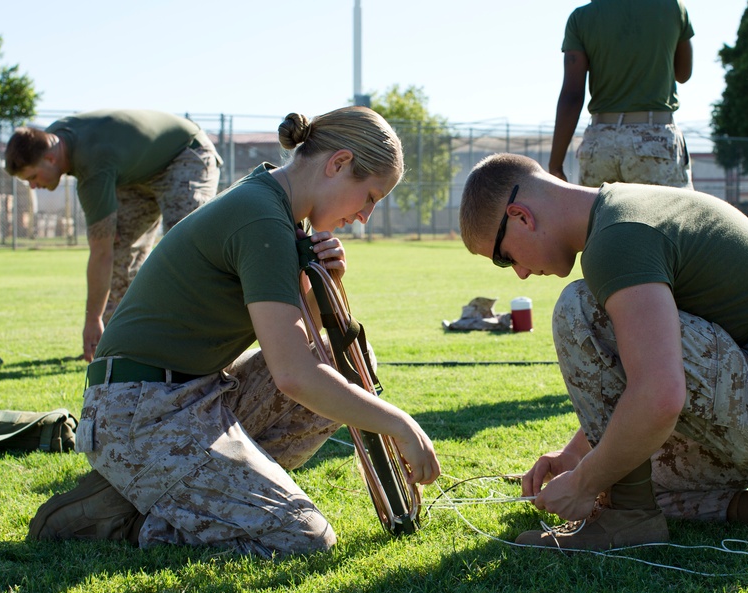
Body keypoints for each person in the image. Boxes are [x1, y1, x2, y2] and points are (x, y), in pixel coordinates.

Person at [25, 107, 441, 558]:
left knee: (349, 366)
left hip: (194, 395)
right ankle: (122, 517)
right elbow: (294, 374)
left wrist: (323, 285)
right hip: (138, 414)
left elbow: (302, 344)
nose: (365, 215)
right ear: (338, 164)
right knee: (302, 537)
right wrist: (400, 423)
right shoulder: (262, 217)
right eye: (370, 196)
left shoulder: (276, 207)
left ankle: (185, 489)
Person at [458, 153, 748, 551]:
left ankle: (629, 517)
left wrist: (584, 482)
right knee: (620, 467)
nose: (521, 272)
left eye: (504, 256)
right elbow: (652, 364)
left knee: (579, 308)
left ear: (521, 216)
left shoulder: (616, 238)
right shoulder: (623, 211)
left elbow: (659, 394)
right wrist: (576, 457)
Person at [4, 109, 223, 361]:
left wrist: (92, 318)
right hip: (135, 175)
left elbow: (100, 253)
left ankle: (199, 347)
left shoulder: (91, 166)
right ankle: (120, 349)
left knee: (185, 247)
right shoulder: (49, 140)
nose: (32, 186)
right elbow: (109, 253)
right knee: (120, 257)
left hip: (185, 154)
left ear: (51, 159)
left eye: (32, 177)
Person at [548, 0, 695, 189]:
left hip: (600, 144)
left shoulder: (582, 17)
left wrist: (556, 165)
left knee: (603, 218)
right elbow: (683, 73)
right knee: (662, 218)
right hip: (654, 141)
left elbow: (572, 96)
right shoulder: (672, 7)